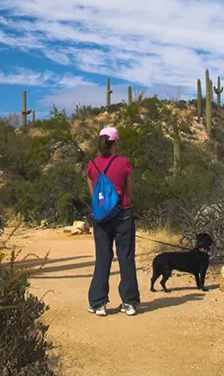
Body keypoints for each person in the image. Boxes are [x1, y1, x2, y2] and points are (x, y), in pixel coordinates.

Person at [85, 126, 140, 316]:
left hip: (101, 217)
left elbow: (93, 193)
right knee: (126, 256)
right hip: (123, 213)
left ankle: (98, 302)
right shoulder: (124, 163)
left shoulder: (92, 164)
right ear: (115, 142)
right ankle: (129, 302)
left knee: (102, 257)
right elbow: (129, 191)